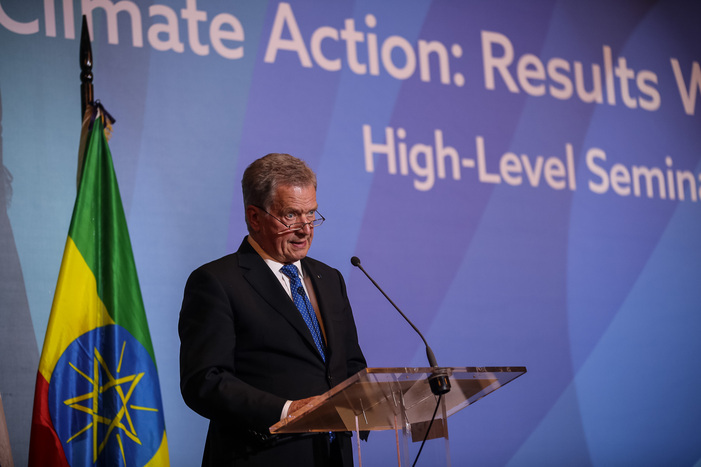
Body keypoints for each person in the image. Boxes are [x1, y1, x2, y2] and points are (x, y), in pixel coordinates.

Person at [179, 153, 367, 466]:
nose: (306, 229)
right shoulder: (217, 282)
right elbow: (205, 381)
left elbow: (350, 365)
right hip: (263, 455)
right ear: (254, 217)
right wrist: (286, 411)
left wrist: (374, 403)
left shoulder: (330, 278)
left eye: (311, 213)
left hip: (333, 456)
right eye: (291, 215)